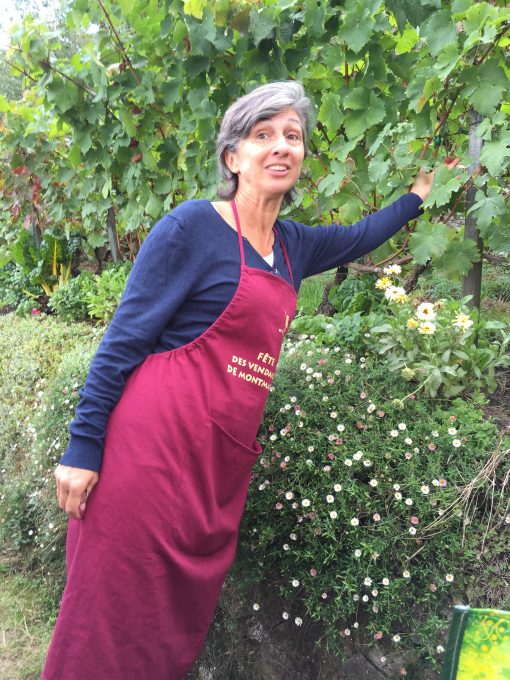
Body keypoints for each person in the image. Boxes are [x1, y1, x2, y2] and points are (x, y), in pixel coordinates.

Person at [43, 81, 457, 680]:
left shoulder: (294, 246)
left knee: (168, 623)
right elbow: (122, 344)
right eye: (263, 135)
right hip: (147, 456)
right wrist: (82, 446)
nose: (281, 146)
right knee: (111, 617)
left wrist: (418, 196)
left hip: (213, 468)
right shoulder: (190, 229)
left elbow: (364, 234)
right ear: (232, 157)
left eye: (293, 136)